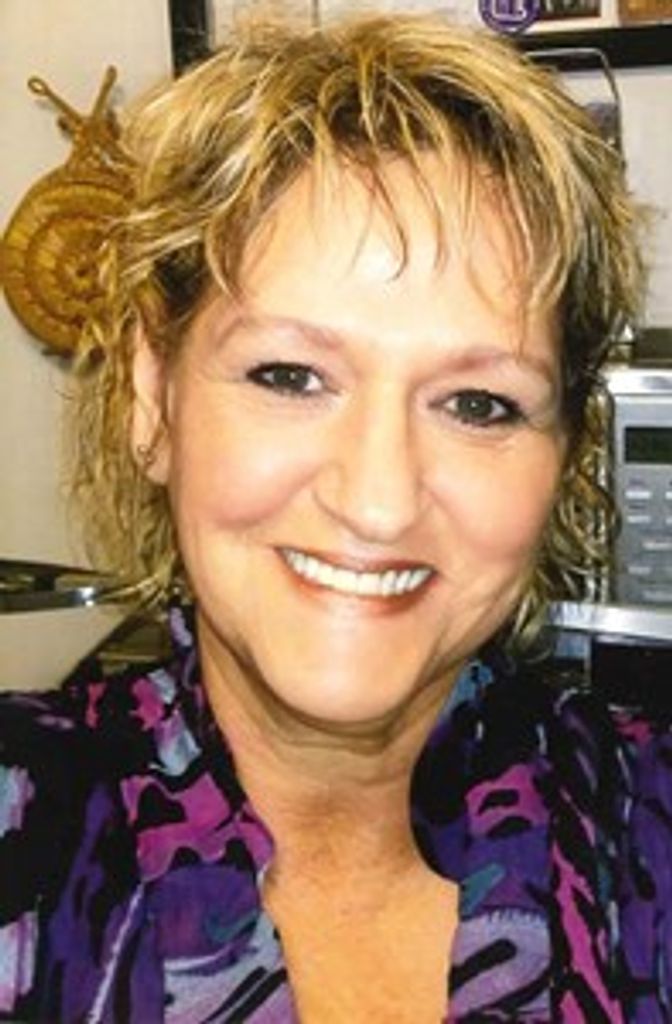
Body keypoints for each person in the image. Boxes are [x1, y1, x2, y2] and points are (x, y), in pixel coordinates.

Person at [0, 11, 667, 1023]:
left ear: (567, 452)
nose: (378, 498)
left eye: (478, 403)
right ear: (152, 397)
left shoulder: (646, 835)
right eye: (290, 376)